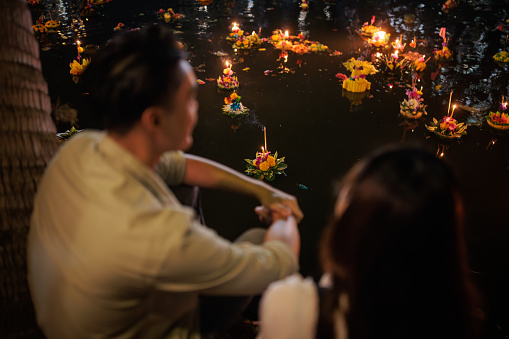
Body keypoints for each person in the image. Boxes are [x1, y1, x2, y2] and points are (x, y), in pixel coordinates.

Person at [27, 24, 302, 339]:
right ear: (154, 119)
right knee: (257, 238)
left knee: (186, 188)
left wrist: (262, 189)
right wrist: (283, 213)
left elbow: (181, 168)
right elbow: (279, 262)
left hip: (78, 316)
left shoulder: (81, 148)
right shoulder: (155, 234)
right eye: (189, 99)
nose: (196, 109)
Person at [257, 145, 480, 339]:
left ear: (354, 219)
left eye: (349, 196)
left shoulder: (293, 306)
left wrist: (282, 226)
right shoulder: (459, 319)